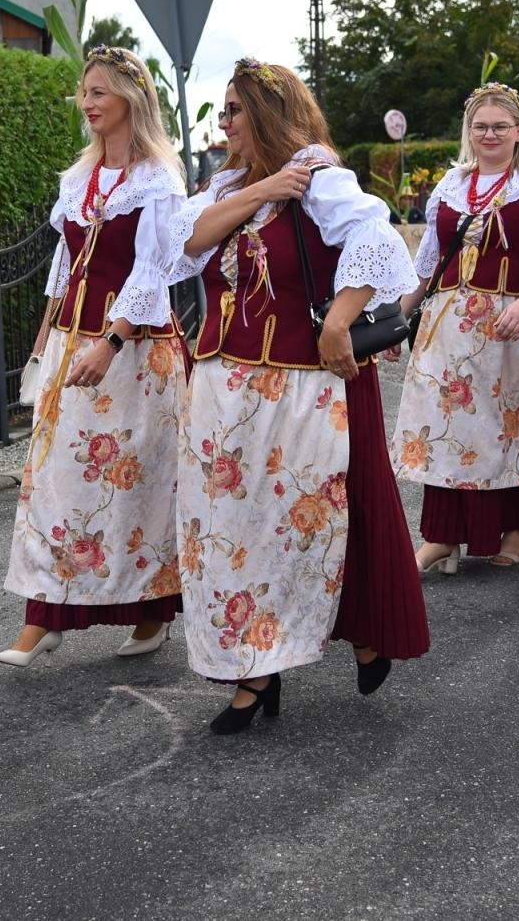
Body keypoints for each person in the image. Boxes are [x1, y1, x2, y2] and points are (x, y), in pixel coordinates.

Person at [168, 58, 428, 734]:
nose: (223, 123)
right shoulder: (229, 185)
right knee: (230, 531)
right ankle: (252, 671)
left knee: (300, 526)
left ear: (266, 113)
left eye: (234, 110)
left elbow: (376, 239)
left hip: (298, 387)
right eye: (221, 112)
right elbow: (185, 245)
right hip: (223, 385)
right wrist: (262, 191)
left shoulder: (319, 176)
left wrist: (340, 319)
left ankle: (303, 653)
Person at [0, 45, 191, 666]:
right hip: (70, 343)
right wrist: (45, 332)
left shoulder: (158, 180)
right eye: (85, 92)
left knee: (136, 487)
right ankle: (45, 616)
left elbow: (155, 269)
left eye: (99, 92)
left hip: (131, 352)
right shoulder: (78, 178)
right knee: (57, 482)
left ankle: (152, 614)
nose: (88, 104)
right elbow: (64, 260)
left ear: (131, 99)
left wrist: (111, 340)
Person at [394, 84, 519, 573]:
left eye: (501, 126)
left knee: (510, 426)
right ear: (469, 131)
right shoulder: (451, 185)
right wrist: (397, 318)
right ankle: (441, 536)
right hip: (450, 324)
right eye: (481, 126)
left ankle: (516, 526)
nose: (490, 134)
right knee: (446, 426)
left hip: (513, 323)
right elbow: (427, 264)